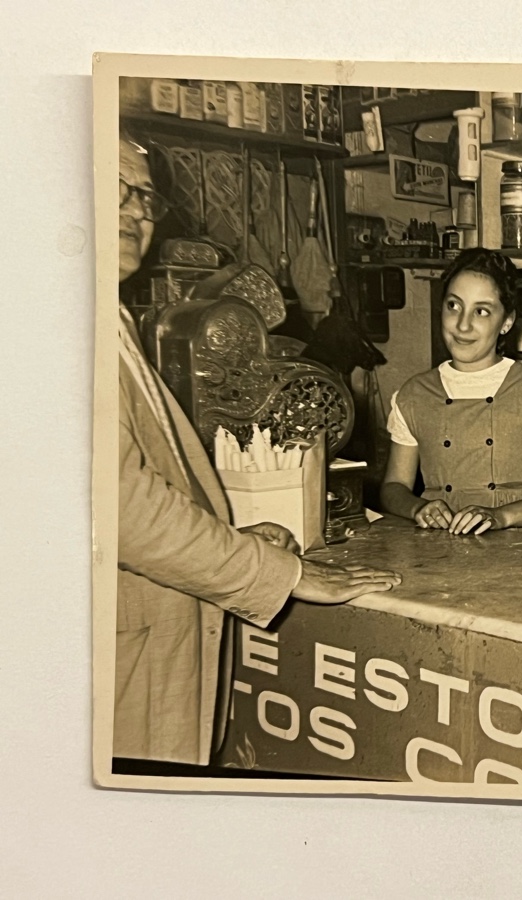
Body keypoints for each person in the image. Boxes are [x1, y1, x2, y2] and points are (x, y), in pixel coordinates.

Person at [114, 135, 403, 766]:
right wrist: (286, 573)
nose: (138, 213)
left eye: (145, 197)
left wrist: (237, 530)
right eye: (117, 190)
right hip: (118, 651)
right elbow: (120, 508)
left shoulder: (104, 317)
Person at [380, 248, 522, 535]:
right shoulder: (413, 395)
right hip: (438, 543)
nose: (463, 324)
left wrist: (500, 516)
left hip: (521, 541)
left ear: (507, 322)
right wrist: (417, 508)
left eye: (481, 311)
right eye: (454, 306)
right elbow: (393, 486)